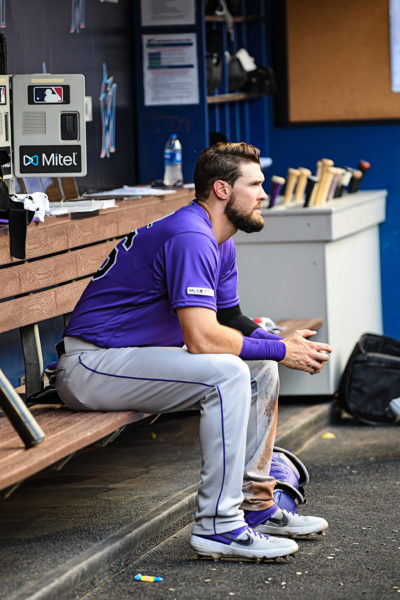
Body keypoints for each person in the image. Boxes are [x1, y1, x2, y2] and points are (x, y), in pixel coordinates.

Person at [56, 142, 332, 561]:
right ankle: (217, 526)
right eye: (254, 184)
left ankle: (256, 505)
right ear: (222, 190)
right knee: (228, 374)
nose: (262, 194)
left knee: (256, 365)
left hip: (130, 360)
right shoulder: (191, 236)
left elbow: (231, 319)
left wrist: (276, 345)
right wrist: (279, 347)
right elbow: (202, 338)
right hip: (92, 365)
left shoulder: (220, 240)